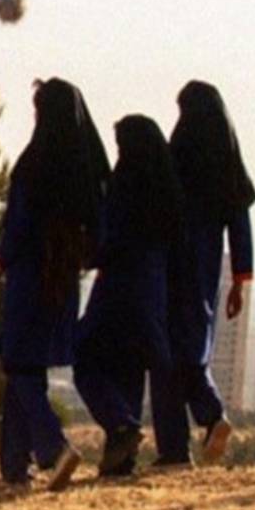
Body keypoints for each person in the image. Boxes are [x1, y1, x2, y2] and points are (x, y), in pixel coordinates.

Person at [0, 78, 109, 491]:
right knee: (29, 367)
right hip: (64, 282)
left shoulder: (33, 167)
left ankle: (52, 447)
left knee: (17, 362)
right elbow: (99, 234)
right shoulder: (88, 175)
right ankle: (14, 466)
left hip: (29, 276)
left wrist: (4, 256)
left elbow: (18, 226)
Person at [154, 81, 255, 467]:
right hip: (206, 270)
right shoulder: (228, 167)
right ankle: (211, 417)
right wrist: (239, 282)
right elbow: (240, 226)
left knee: (166, 354)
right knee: (193, 347)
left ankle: (176, 447)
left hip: (169, 266)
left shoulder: (176, 154)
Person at [74, 116, 183, 476]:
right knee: (130, 370)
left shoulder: (124, 186)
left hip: (117, 288)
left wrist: (84, 256)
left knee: (84, 356)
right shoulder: (168, 193)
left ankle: (120, 426)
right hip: (152, 294)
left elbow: (111, 238)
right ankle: (121, 459)